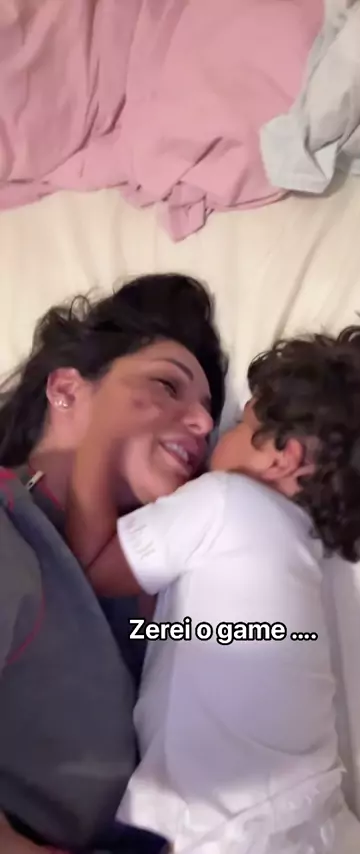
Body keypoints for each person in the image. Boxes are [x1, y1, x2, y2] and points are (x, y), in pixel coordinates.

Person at [66, 323, 360, 853]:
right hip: (308, 818)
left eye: (241, 422)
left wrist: (96, 439)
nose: (217, 433)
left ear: (284, 455)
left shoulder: (224, 500)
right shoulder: (300, 553)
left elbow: (90, 569)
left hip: (234, 829)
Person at [0, 273, 226, 853]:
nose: (204, 424)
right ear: (67, 389)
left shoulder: (156, 588)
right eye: (167, 385)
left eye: (209, 411)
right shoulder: (9, 528)